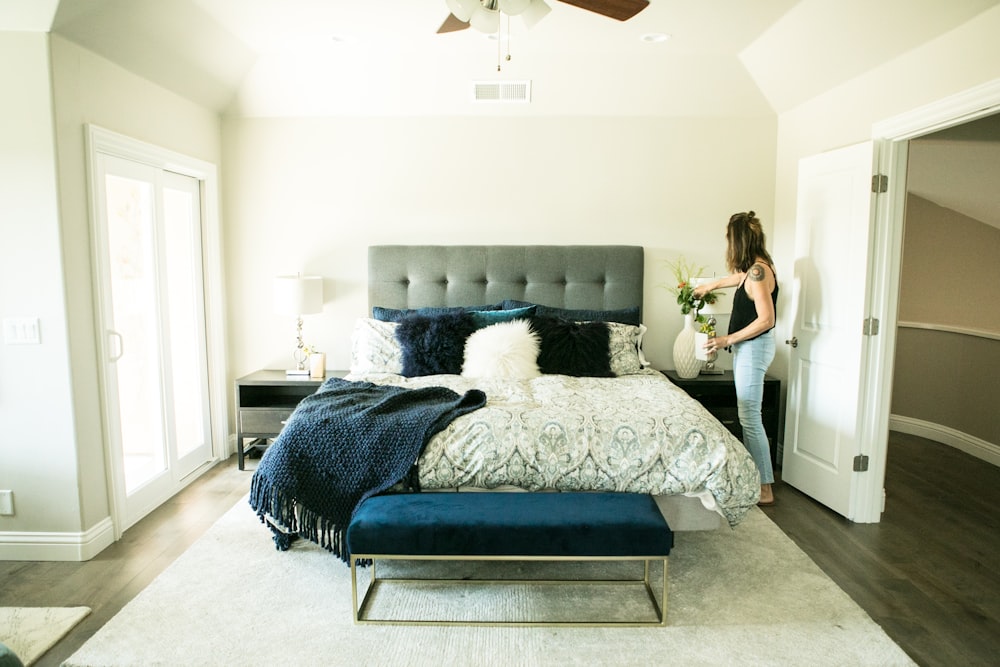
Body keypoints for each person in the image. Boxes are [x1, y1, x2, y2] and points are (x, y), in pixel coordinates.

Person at [693, 210, 778, 506]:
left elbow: (767, 319)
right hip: (750, 348)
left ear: (737, 242)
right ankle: (759, 480)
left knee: (750, 418)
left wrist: (726, 339)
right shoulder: (756, 268)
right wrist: (711, 285)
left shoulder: (758, 272)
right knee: (748, 415)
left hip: (755, 348)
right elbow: (739, 278)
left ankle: (765, 488)